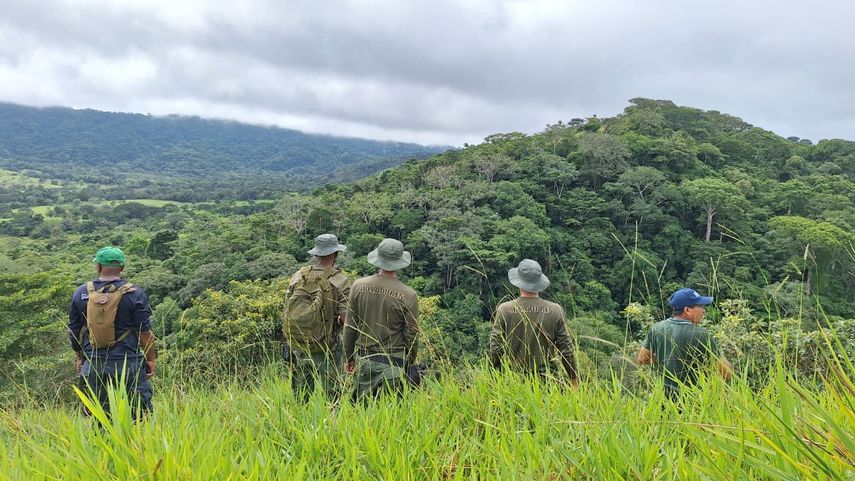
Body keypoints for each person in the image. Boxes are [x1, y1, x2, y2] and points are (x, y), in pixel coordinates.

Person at [68, 246, 156, 418]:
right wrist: (151, 359)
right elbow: (144, 333)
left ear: (98, 266)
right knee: (138, 417)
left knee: (99, 419)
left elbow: (73, 330)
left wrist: (80, 356)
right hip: (128, 364)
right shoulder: (135, 293)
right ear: (122, 267)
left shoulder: (81, 292)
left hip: (93, 365)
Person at [342, 238, 419, 401]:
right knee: (391, 417)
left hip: (365, 361)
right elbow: (412, 334)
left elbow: (349, 327)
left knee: (361, 415)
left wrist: (349, 357)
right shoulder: (409, 294)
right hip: (394, 365)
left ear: (378, 259)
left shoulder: (358, 285)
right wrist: (409, 361)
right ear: (399, 262)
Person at [489, 259, 579, 387]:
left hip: (513, 384)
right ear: (539, 282)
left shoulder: (505, 309)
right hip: (548, 384)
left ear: (519, 282)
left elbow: (496, 348)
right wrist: (574, 379)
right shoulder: (555, 310)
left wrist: (495, 375)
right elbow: (566, 349)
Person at [283, 234, 351, 401]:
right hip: (327, 346)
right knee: (334, 396)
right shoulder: (341, 280)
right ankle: (333, 424)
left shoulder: (299, 275)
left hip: (299, 343)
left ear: (316, 254)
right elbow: (345, 319)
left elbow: (288, 308)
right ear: (335, 254)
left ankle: (298, 422)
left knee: (300, 395)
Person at [637, 288, 733, 399]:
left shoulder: (657, 328)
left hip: (663, 400)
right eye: (700, 306)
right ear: (687, 310)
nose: (703, 310)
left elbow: (642, 359)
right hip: (695, 402)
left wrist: (666, 360)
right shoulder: (703, 335)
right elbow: (727, 373)